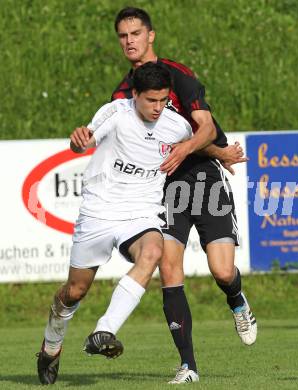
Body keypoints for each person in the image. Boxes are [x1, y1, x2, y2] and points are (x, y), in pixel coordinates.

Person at [82, 7, 256, 384]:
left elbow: (204, 128)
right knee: (169, 270)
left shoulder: (179, 75)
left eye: (135, 34)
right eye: (122, 35)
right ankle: (188, 365)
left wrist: (202, 149)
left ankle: (237, 300)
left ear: (150, 36)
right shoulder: (121, 95)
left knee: (223, 271)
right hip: (162, 189)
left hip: (205, 181)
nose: (129, 41)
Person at [36, 62, 197, 385]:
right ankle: (51, 345)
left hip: (141, 213)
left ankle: (104, 330)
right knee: (74, 291)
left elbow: (197, 143)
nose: (157, 107)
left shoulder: (177, 126)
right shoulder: (116, 113)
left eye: (163, 100)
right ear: (135, 94)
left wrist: (223, 153)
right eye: (151, 100)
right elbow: (84, 139)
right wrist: (79, 141)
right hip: (98, 212)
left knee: (153, 250)